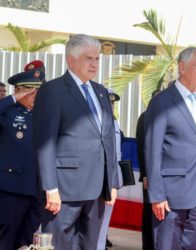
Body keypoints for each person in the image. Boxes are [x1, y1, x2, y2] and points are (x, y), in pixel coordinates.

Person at [33, 34, 119, 249]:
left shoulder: (101, 92)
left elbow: (107, 139)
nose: (94, 64)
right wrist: (50, 188)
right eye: (88, 58)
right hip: (64, 190)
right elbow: (44, 143)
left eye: (97, 59)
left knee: (89, 245)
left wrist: (112, 182)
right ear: (71, 60)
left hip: (97, 189)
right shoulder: (52, 91)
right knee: (60, 245)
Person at [144, 47, 196, 250]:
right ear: (182, 67)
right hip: (170, 196)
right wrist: (157, 195)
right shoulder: (162, 102)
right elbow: (153, 150)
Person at [0, 69, 44, 250]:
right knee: (6, 239)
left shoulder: (43, 114)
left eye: (38, 91)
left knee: (26, 242)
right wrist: (12, 99)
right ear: (18, 90)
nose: (35, 95)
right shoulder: (8, 112)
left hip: (37, 189)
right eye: (30, 90)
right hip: (12, 188)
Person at [97, 89, 124, 250]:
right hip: (98, 180)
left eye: (113, 103)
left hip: (111, 180)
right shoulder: (96, 121)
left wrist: (114, 183)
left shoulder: (114, 122)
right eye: (109, 102)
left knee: (103, 225)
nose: (112, 106)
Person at [136, 89, 160, 250]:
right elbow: (142, 148)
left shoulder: (164, 117)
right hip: (148, 176)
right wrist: (145, 174)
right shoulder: (145, 117)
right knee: (148, 213)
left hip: (160, 176)